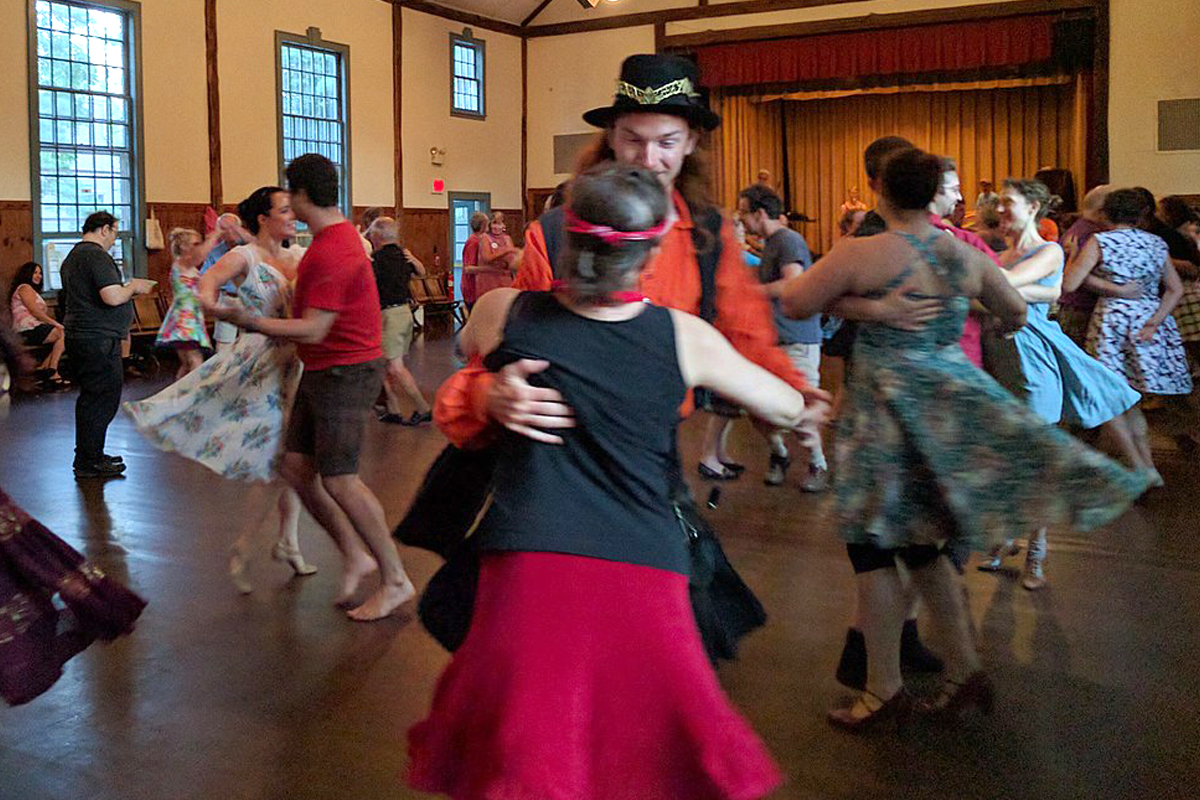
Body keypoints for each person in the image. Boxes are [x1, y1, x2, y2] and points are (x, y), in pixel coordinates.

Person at [408, 163, 793, 800]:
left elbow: (461, 356)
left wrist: (492, 386)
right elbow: (780, 405)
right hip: (644, 562)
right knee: (645, 756)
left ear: (563, 238)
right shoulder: (684, 338)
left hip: (528, 560)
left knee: (531, 758)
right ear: (651, 252)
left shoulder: (501, 312)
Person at [779, 147, 1148, 731]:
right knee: (925, 552)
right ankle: (966, 672)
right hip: (947, 408)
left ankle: (883, 690)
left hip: (885, 416)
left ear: (881, 193)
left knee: (874, 553)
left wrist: (865, 307)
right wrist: (949, 313)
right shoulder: (961, 252)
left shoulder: (862, 252)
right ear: (932, 196)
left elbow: (800, 302)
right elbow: (1014, 314)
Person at [433, 53, 826, 454]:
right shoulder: (554, 232)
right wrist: (490, 395)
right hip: (558, 446)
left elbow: (746, 334)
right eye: (633, 139)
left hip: (652, 448)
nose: (649, 159)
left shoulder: (708, 235)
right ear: (611, 137)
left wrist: (793, 390)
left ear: (690, 142)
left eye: (666, 142)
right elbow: (508, 349)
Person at [220, 153, 414, 622]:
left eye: (290, 195)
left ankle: (394, 579)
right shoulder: (333, 239)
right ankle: (355, 553)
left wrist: (251, 320)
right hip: (327, 367)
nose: (288, 203)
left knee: (342, 479)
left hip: (346, 370)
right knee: (295, 465)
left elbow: (312, 328)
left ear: (303, 194)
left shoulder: (333, 250)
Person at [126, 187, 316, 593]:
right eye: (284, 211)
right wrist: (225, 310)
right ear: (263, 219)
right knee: (276, 459)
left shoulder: (299, 256)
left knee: (295, 457)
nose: (293, 217)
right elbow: (205, 286)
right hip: (263, 362)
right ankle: (248, 547)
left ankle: (288, 540)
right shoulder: (245, 257)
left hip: (298, 362)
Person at [979, 179, 1150, 588]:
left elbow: (999, 286)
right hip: (997, 358)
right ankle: (1008, 533)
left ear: (1034, 207)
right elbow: (991, 292)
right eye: (999, 205)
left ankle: (1037, 547)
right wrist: (1039, 289)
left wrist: (990, 281)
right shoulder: (999, 255)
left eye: (1008, 204)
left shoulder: (1048, 250)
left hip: (1034, 360)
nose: (1000, 211)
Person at [1065, 188, 1195, 438]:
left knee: (1113, 397)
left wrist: (1075, 259)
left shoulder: (1101, 241)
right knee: (1132, 399)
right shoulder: (1156, 243)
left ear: (1106, 214)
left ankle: (1137, 462)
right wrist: (1154, 322)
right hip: (1148, 320)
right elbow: (1175, 289)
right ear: (1142, 215)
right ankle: (1142, 461)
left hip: (1112, 323)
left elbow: (1070, 283)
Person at [725, 183, 827, 491]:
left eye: (743, 212)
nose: (741, 219)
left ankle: (818, 463)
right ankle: (780, 454)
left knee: (800, 407)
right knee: (759, 409)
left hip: (798, 339)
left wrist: (750, 293)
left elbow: (791, 284)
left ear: (759, 213)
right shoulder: (771, 244)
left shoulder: (788, 240)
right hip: (773, 341)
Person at [60, 211, 156, 479]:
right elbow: (112, 297)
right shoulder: (96, 255)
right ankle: (89, 461)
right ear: (104, 229)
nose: (115, 238)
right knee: (102, 398)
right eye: (115, 232)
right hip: (98, 338)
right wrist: (134, 286)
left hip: (84, 335)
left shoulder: (73, 256)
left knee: (92, 397)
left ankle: (90, 454)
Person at [367, 216, 432, 426]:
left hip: (390, 316)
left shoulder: (376, 260)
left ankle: (423, 407)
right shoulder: (404, 255)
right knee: (383, 363)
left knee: (394, 366)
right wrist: (414, 259)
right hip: (405, 313)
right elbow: (422, 273)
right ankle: (393, 409)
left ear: (378, 236)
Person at [156, 227, 221, 380]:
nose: (199, 248)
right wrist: (216, 235)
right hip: (184, 319)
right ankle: (190, 396)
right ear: (184, 247)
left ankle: (177, 396)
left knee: (187, 363)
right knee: (195, 361)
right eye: (195, 244)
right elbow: (199, 257)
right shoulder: (181, 264)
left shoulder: (190, 267)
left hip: (192, 317)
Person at [1055, 184, 1113, 346]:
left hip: (1075, 307)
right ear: (1103, 209)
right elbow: (1079, 277)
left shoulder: (1079, 229)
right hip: (1081, 308)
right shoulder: (1090, 235)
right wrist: (1120, 290)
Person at [7, 261, 67, 388]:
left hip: (35, 328)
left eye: (40, 273)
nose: (38, 276)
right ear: (27, 274)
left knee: (64, 336)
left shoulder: (33, 291)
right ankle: (52, 371)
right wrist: (56, 324)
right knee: (62, 333)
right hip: (26, 330)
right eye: (35, 272)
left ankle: (46, 369)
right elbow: (35, 311)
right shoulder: (24, 288)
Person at [200, 212, 249, 354]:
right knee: (223, 345)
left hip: (250, 299)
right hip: (227, 298)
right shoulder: (215, 252)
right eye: (224, 228)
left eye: (232, 227)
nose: (229, 231)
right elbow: (203, 276)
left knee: (250, 343)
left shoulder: (250, 248)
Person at [475, 211, 518, 300]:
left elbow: (511, 260)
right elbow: (487, 257)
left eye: (500, 223)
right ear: (489, 224)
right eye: (494, 223)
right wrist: (506, 251)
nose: (497, 227)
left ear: (504, 226)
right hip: (488, 280)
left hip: (505, 280)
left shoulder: (507, 238)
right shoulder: (485, 238)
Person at [460, 211, 488, 313]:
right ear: (483, 226)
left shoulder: (481, 240)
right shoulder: (474, 242)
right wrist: (489, 270)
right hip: (472, 289)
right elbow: (468, 268)